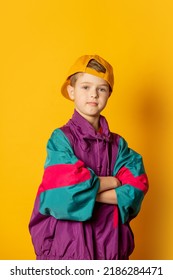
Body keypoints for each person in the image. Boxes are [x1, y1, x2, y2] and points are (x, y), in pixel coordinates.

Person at [29, 54, 149, 260]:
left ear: (108, 94)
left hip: (110, 247)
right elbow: (62, 192)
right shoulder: (61, 139)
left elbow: (136, 187)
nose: (93, 94)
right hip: (67, 248)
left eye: (101, 89)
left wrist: (83, 195)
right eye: (85, 87)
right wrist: (111, 182)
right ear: (71, 91)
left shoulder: (119, 145)